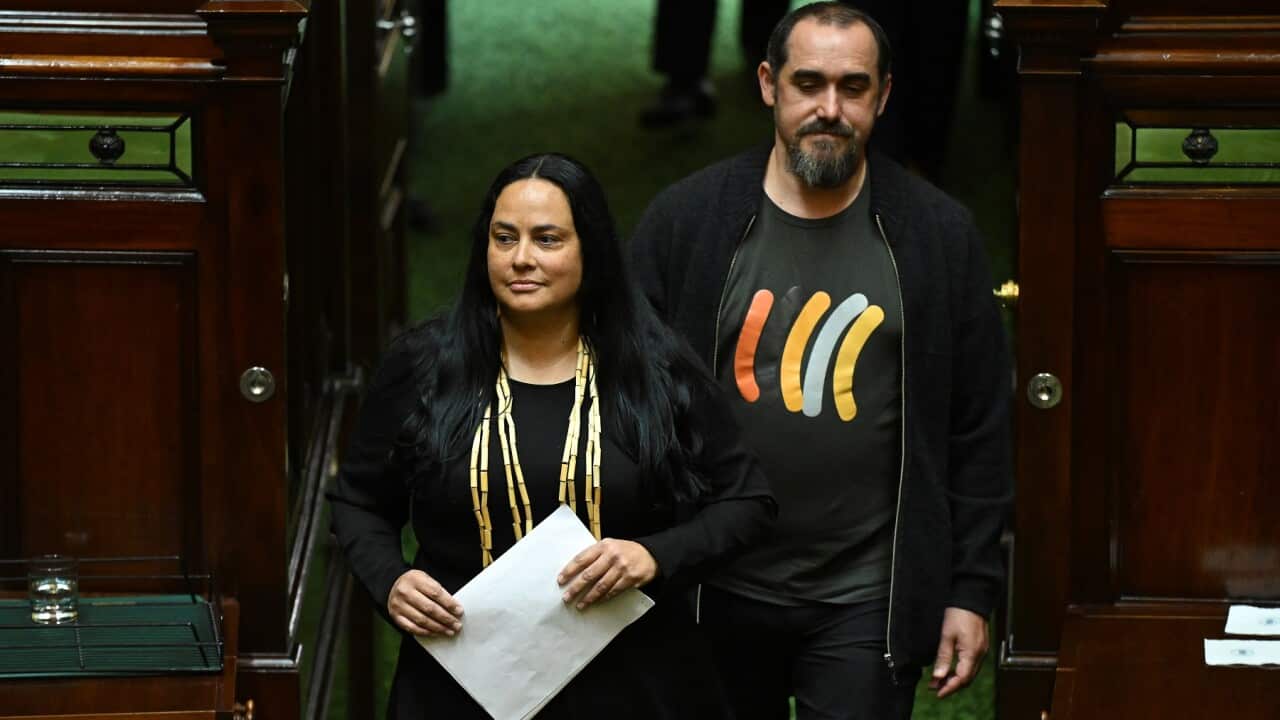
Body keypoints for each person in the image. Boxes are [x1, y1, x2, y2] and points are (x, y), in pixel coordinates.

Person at [629, 4, 1012, 719]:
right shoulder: (687, 221)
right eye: (808, 83)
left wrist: (970, 589)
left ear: (883, 96)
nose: (829, 109)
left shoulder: (938, 236)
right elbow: (622, 404)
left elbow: (979, 426)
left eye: (852, 87)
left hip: (866, 599)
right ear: (768, 84)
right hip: (715, 587)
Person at [329, 153, 776, 718]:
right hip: (463, 679)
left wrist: (653, 556)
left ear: (591, 251)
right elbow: (358, 502)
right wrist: (390, 581)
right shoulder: (424, 366)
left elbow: (748, 501)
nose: (521, 258)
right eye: (504, 238)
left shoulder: (655, 368)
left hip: (633, 682)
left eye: (547, 239)